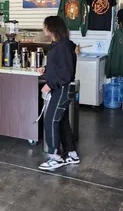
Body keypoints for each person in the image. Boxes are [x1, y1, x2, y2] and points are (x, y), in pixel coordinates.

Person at [37, 16, 80, 170]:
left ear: (51, 28)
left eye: (44, 26)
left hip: (61, 89)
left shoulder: (61, 46)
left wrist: (50, 84)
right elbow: (59, 66)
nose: (43, 28)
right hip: (61, 88)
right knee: (61, 121)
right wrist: (46, 70)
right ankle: (71, 154)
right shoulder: (60, 45)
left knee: (50, 121)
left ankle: (55, 157)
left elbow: (66, 73)